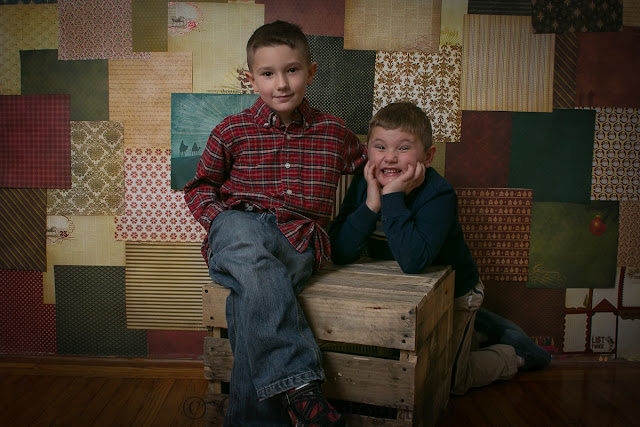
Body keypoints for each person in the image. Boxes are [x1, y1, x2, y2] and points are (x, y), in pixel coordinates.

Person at [183, 20, 367, 426]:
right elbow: (199, 188)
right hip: (239, 226)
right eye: (268, 74)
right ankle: (301, 386)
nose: (281, 84)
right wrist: (220, 221)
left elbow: (375, 166)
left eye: (292, 70)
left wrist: (408, 171)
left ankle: (271, 407)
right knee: (246, 245)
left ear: (311, 72)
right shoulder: (231, 131)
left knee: (250, 301)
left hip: (297, 239)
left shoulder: (334, 133)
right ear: (251, 79)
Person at [328, 101, 551, 396]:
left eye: (403, 148)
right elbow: (339, 251)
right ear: (367, 150)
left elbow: (413, 262)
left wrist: (392, 196)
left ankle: (514, 353)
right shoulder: (364, 184)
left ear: (428, 155)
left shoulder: (438, 194)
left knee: (450, 380)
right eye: (380, 147)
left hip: (455, 294)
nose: (390, 157)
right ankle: (480, 328)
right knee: (406, 371)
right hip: (407, 296)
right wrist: (371, 204)